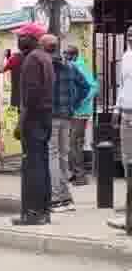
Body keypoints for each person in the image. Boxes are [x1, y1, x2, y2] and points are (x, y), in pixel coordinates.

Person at [13, 22, 54, 226]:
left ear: (32, 39)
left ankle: (33, 213)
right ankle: (43, 211)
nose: (18, 40)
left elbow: (30, 97)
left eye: (22, 36)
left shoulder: (31, 60)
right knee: (42, 164)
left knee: (32, 166)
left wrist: (20, 123)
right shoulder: (46, 58)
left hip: (34, 119)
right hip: (45, 117)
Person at [44, 34, 88, 214]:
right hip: (66, 117)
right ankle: (65, 197)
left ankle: (56, 198)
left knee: (53, 156)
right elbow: (85, 86)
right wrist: (74, 105)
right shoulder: (70, 67)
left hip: (52, 116)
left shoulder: (47, 67)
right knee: (62, 155)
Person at [108, 26, 132, 231]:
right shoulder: (126, 56)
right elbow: (123, 86)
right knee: (127, 162)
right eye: (129, 32)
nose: (130, 35)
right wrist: (116, 108)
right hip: (126, 114)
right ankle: (129, 211)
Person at [65, 45, 98, 186]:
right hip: (74, 111)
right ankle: (74, 173)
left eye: (67, 54)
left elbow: (93, 86)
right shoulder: (72, 66)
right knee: (72, 143)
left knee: (75, 143)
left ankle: (80, 176)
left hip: (80, 112)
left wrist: (80, 102)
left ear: (73, 55)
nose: (64, 56)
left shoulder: (80, 66)